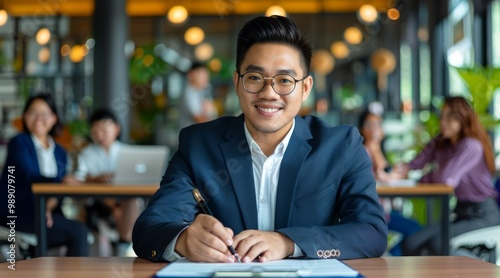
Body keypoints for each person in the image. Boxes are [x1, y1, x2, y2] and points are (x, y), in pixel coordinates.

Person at [133, 15, 387, 263]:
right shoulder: (199, 145)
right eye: (255, 78)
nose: (269, 93)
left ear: (305, 88)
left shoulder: (340, 145)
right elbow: (149, 228)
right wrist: (184, 240)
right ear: (237, 82)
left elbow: (371, 232)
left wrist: (288, 242)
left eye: (285, 80)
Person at [400, 96, 500, 255]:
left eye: (450, 117)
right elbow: (415, 163)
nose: (443, 122)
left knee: (437, 243)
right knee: (412, 242)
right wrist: (399, 170)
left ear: (463, 119)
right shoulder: (442, 141)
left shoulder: (471, 145)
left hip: (482, 214)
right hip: (461, 212)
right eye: (442, 116)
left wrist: (422, 177)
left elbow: (447, 179)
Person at [0, 92, 89, 256]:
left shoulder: (60, 152)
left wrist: (48, 205)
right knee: (78, 232)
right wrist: (62, 181)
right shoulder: (19, 143)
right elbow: (30, 175)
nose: (38, 118)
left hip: (47, 214)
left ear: (54, 118)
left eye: (45, 114)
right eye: (33, 113)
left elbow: (59, 192)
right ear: (25, 117)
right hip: (18, 213)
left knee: (79, 229)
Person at [73, 109, 142, 256]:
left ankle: (123, 242)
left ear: (116, 128)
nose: (100, 134)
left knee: (131, 200)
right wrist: (95, 180)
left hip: (124, 201)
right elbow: (80, 180)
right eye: (96, 130)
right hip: (99, 202)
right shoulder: (87, 153)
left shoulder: (128, 152)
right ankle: (124, 245)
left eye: (104, 129)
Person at [358, 102, 421, 256]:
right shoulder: (365, 150)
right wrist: (374, 145)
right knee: (415, 231)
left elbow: (388, 172)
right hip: (370, 214)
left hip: (381, 212)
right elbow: (383, 173)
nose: (375, 128)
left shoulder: (375, 149)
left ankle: (393, 255)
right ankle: (393, 256)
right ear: (362, 128)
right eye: (370, 124)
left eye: (378, 124)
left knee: (416, 230)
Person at [178, 62, 217, 129]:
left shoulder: (203, 91)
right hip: (192, 136)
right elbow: (200, 120)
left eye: (206, 75)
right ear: (191, 74)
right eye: (202, 74)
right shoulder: (189, 93)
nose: (205, 78)